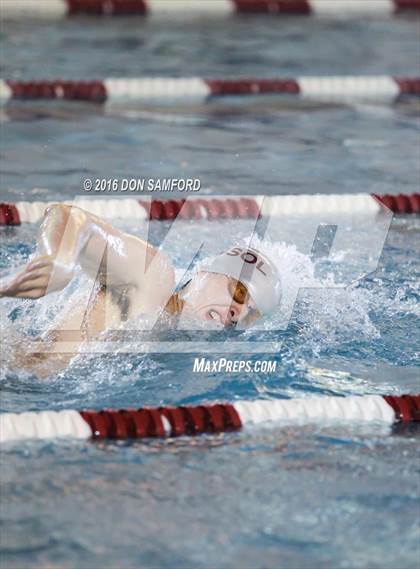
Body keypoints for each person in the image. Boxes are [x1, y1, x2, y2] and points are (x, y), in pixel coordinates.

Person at [0, 204, 281, 375]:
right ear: (203, 272)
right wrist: (58, 260)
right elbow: (70, 217)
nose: (237, 312)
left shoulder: (175, 348)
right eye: (240, 292)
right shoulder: (155, 278)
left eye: (247, 315)